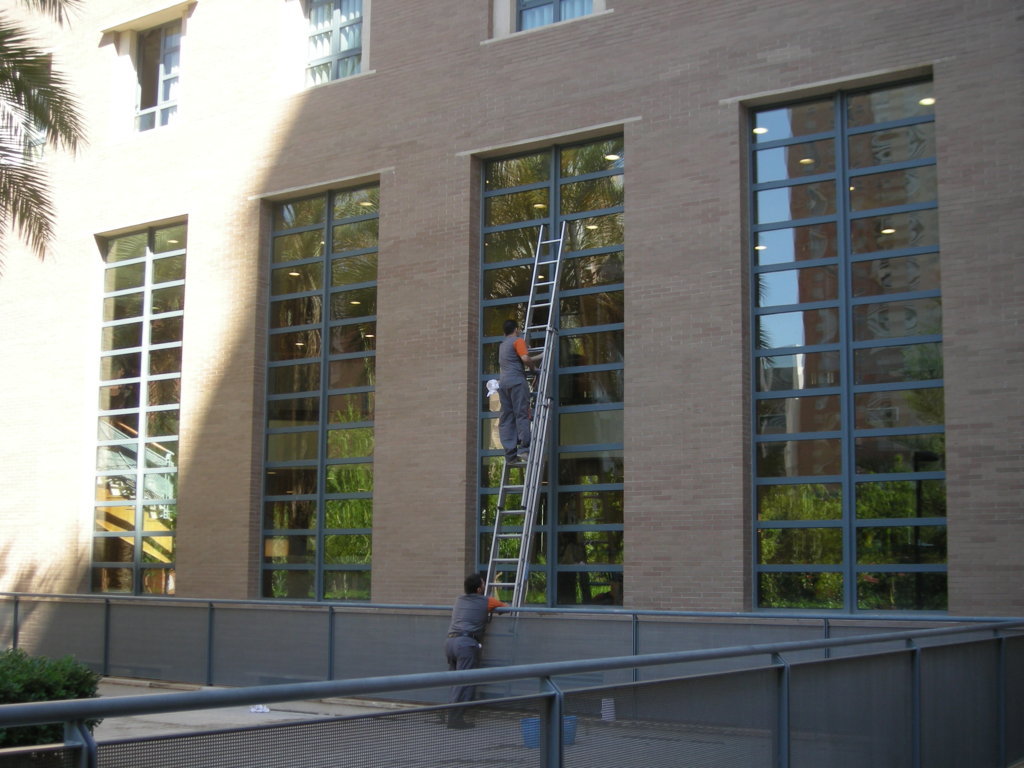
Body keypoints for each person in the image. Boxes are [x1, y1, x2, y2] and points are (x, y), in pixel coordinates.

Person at [443, 572, 506, 728]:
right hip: (466, 644)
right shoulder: (486, 601)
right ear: (479, 589)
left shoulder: (459, 600)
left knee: (454, 681)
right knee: (465, 682)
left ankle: (449, 713)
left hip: (450, 643)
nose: (485, 586)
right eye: (483, 584)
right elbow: (505, 607)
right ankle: (455, 718)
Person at [498, 319, 537, 463]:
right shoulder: (518, 341)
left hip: (503, 384)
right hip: (516, 382)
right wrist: (533, 368)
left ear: (504, 332)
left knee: (507, 417)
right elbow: (525, 358)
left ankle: (510, 454)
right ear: (516, 329)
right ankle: (524, 450)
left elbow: (514, 359)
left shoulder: (502, 345)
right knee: (522, 414)